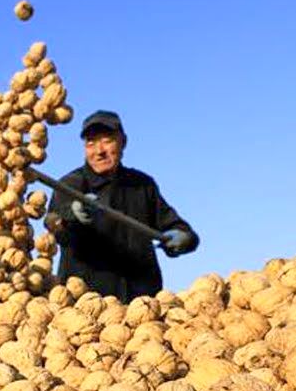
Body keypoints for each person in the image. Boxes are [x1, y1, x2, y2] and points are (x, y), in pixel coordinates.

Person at [47, 110, 198, 302]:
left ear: (123, 142)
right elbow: (55, 222)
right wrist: (72, 214)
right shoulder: (70, 185)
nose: (99, 151)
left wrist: (184, 237)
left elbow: (173, 224)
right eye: (91, 143)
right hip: (88, 304)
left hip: (142, 304)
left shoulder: (142, 185)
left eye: (107, 141)